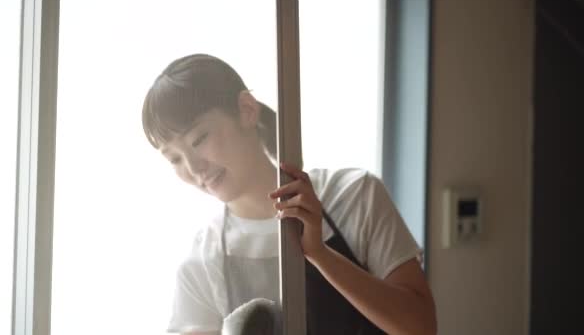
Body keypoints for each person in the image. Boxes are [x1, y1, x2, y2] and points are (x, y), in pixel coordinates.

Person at [142, 54, 437, 335]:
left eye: (199, 139)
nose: (194, 168)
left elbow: (421, 327)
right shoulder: (202, 261)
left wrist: (320, 255)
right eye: (175, 159)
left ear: (246, 110)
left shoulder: (353, 194)